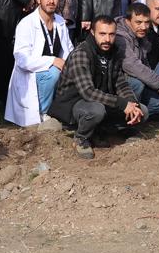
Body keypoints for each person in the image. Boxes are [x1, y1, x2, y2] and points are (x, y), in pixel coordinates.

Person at [47, 15, 145, 159]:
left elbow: (121, 83)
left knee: (142, 111)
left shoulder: (113, 52)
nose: (107, 39)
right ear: (92, 32)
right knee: (96, 111)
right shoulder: (81, 53)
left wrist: (131, 104)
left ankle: (111, 130)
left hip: (100, 101)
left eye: (111, 34)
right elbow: (88, 92)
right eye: (102, 34)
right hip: (74, 104)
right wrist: (122, 104)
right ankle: (81, 138)